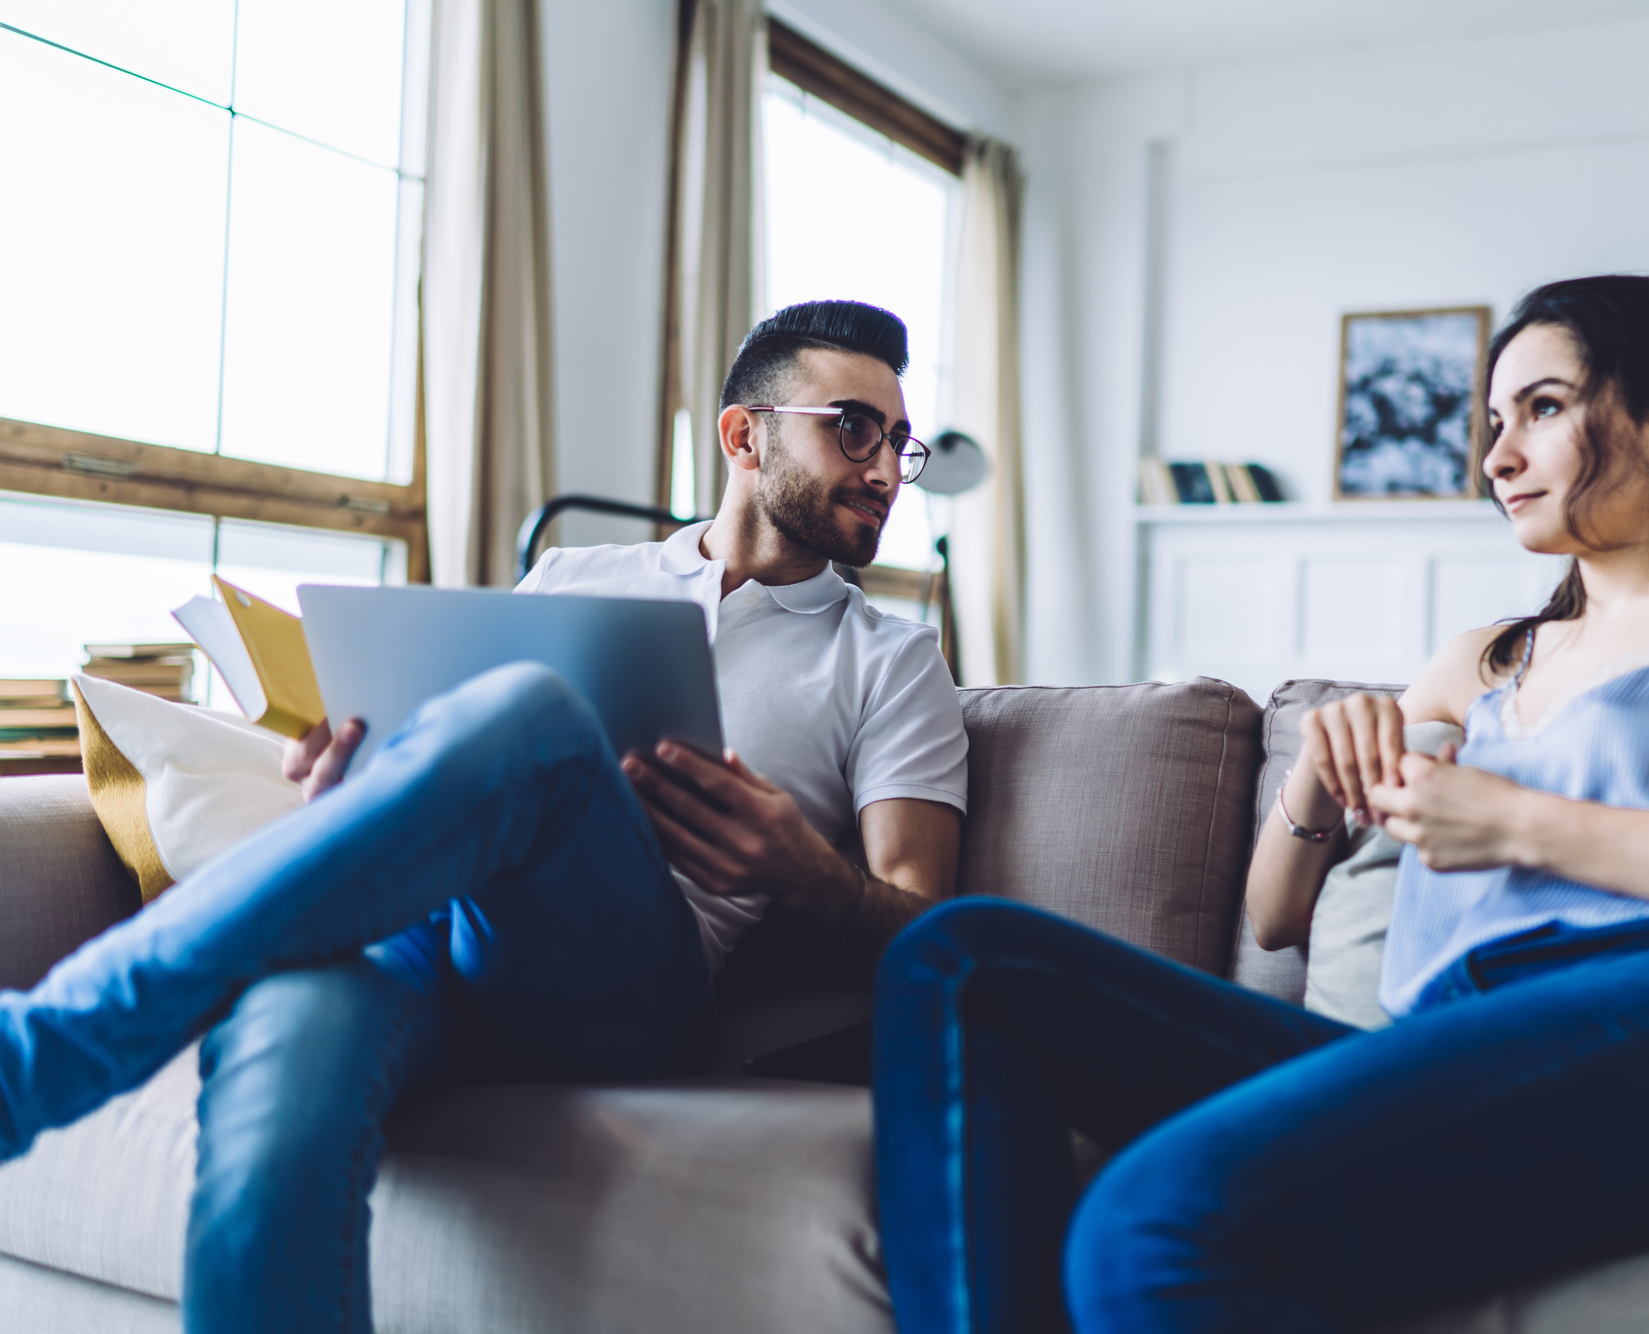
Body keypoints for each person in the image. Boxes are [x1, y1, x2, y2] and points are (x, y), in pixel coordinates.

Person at [871, 275, 1649, 1333]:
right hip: (1464, 1038)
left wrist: (1517, 823)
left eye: (1541, 409)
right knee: (964, 960)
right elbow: (1272, 918)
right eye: (1491, 421)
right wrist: (1315, 776)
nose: (1496, 457)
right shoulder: (1477, 657)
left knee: (1153, 1220)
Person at [0, 299, 968, 1334]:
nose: (882, 468)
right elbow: (456, 768)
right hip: (430, 936)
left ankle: (54, 1046)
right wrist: (364, 782)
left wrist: (797, 866)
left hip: (628, 986)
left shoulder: (889, 658)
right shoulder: (572, 575)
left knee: (534, 709)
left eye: (897, 443)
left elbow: (929, 930)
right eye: (853, 427)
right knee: (282, 1034)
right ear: (744, 435)